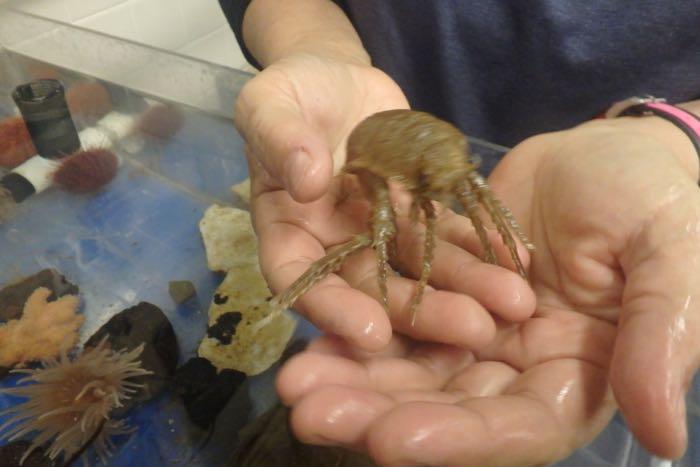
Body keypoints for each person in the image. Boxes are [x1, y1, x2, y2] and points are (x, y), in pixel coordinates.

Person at [220, 1, 700, 465]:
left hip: (509, 166)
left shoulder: (451, 179)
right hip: (375, 127)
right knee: (379, 241)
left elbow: (456, 195)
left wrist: (677, 132)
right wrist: (315, 46)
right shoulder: (395, 176)